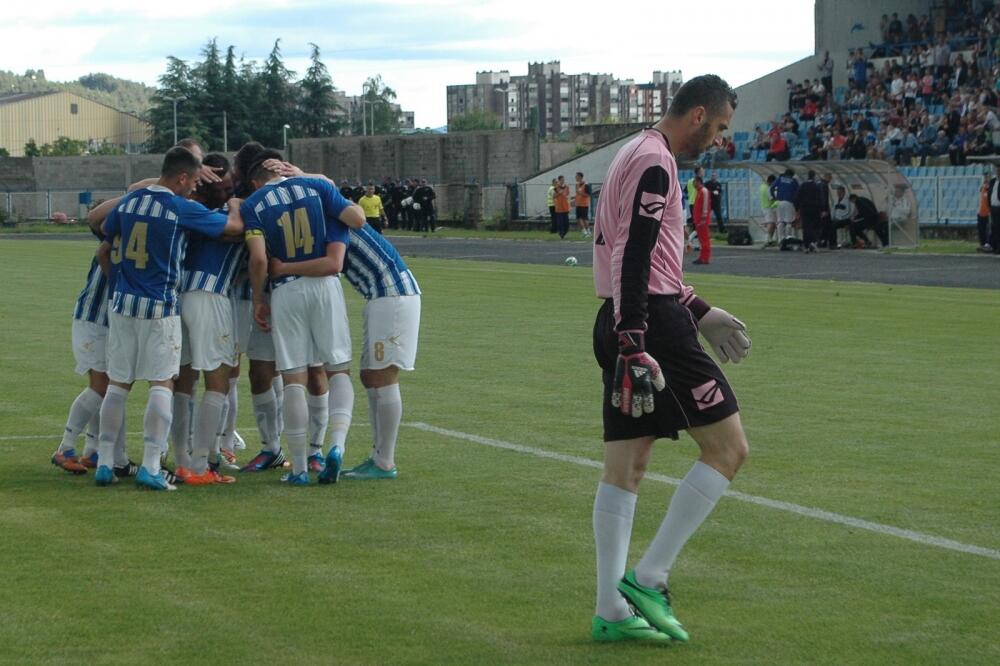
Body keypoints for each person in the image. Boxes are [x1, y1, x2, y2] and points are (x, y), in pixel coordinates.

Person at [590, 74, 751, 644]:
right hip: (649, 324)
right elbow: (636, 252)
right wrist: (636, 338)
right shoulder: (658, 164)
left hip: (625, 316)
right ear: (699, 114)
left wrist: (700, 308)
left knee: (626, 468)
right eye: (721, 127)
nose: (719, 139)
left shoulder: (634, 151)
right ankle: (650, 577)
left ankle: (611, 611)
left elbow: (647, 257)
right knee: (729, 448)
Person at [94, 146, 243, 490]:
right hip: (160, 306)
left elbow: (105, 228)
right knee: (162, 383)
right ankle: (150, 465)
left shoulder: (129, 202)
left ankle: (104, 462)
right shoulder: (180, 208)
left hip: (122, 305)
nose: (194, 188)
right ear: (181, 178)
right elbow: (231, 226)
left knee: (118, 384)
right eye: (192, 181)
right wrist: (234, 203)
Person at [238, 150, 365, 485]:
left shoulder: (253, 204)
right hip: (325, 285)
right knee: (337, 370)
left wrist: (258, 298)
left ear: (257, 180)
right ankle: (331, 446)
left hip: (286, 289)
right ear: (285, 170)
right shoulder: (316, 188)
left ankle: (296, 468)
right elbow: (357, 219)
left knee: (293, 377)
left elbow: (259, 260)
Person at [173, 152, 246, 486]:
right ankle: (201, 466)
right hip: (208, 295)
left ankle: (182, 461)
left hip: (180, 296)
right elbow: (240, 232)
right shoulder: (227, 214)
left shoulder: (188, 212)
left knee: (183, 380)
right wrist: (236, 204)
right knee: (218, 380)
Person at [795, 170, 825, 253]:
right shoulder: (817, 186)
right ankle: (813, 242)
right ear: (814, 176)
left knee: (806, 227)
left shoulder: (802, 185)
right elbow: (821, 198)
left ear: (807, 176)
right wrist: (822, 209)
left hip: (804, 209)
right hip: (815, 209)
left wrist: (797, 209)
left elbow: (797, 197)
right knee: (814, 227)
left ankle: (806, 246)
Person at [770, 168, 799, 240]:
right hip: (789, 202)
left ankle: (780, 239)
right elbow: (798, 192)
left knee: (780, 221)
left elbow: (772, 188)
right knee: (788, 222)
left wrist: (774, 197)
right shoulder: (793, 181)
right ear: (792, 175)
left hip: (779, 202)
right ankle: (787, 238)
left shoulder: (780, 179)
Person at [692, 176, 712, 264]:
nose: (693, 183)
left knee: (704, 239)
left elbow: (705, 206)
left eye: (695, 181)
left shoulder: (704, 191)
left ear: (699, 181)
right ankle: (702, 257)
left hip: (702, 220)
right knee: (701, 240)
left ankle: (705, 258)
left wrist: (703, 218)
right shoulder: (699, 191)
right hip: (698, 220)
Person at [759, 174, 779, 247]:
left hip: (764, 206)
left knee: (772, 223)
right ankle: (767, 239)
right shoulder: (768, 188)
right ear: (772, 181)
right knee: (771, 223)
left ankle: (770, 239)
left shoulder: (762, 186)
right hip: (769, 207)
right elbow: (771, 198)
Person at [977, 173, 993, 252]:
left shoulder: (991, 188)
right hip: (981, 212)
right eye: (985, 177)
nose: (986, 179)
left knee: (988, 229)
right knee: (981, 229)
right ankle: (982, 244)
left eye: (987, 177)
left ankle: (988, 244)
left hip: (988, 212)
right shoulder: (982, 187)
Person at [574, 172, 592, 238]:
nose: (575, 177)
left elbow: (588, 194)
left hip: (584, 204)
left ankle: (589, 232)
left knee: (584, 219)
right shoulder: (577, 185)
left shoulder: (586, 184)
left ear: (580, 177)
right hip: (578, 204)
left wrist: (580, 193)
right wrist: (574, 199)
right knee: (578, 218)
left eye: (576, 176)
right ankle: (584, 232)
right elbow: (577, 194)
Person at [987, 164, 1000, 255]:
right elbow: (989, 193)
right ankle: (995, 247)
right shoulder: (992, 181)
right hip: (993, 207)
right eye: (997, 170)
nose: (998, 172)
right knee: (994, 228)